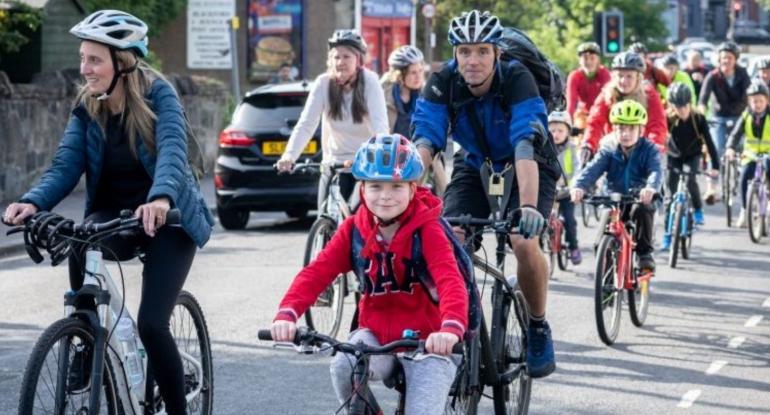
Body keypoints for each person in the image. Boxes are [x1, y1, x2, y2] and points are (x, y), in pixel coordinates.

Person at [1, 10, 213, 414]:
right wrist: (33, 202)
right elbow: (65, 164)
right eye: (83, 59)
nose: (85, 69)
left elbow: (171, 149)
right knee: (81, 239)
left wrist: (162, 198)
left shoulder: (158, 94)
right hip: (117, 215)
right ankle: (83, 340)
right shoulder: (87, 106)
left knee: (152, 325)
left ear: (124, 62)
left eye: (94, 60)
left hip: (169, 219)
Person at [411, 10, 561, 378]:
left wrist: (528, 208)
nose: (473, 60)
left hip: (529, 161)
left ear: (496, 53)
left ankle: (538, 325)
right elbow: (425, 143)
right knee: (448, 237)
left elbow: (525, 143)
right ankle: (460, 318)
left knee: (523, 241)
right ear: (455, 54)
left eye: (481, 51)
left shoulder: (517, 79)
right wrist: (404, 196)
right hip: (475, 162)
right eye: (464, 52)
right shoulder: (442, 81)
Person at [270, 135, 468, 414]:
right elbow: (317, 272)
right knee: (343, 364)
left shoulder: (428, 230)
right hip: (376, 337)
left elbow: (450, 280)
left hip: (428, 341)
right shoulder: (354, 230)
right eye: (375, 186)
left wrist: (450, 328)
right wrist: (288, 312)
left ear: (413, 189)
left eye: (396, 186)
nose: (385, 195)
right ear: (362, 189)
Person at [276, 29, 389, 209]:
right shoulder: (323, 83)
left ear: (358, 60)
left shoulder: (370, 82)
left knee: (357, 219)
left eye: (346, 57)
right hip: (333, 163)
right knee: (325, 214)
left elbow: (380, 127)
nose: (340, 62)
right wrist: (290, 155)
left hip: (364, 165)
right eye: (336, 57)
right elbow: (306, 124)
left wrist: (379, 157)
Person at [571, 100, 662, 271]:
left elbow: (656, 171)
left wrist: (650, 187)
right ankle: (607, 285)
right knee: (601, 244)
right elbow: (592, 169)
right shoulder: (609, 150)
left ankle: (644, 254)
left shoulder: (650, 150)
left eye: (631, 128)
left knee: (641, 210)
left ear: (641, 130)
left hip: (638, 197)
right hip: (614, 199)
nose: (625, 133)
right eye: (621, 128)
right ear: (614, 129)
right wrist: (578, 186)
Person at [380, 45, 448, 194]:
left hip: (422, 153)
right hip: (391, 157)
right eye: (412, 73)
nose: (418, 76)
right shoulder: (382, 93)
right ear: (399, 75)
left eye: (420, 71)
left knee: (442, 195)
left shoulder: (428, 93)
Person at [662, 83, 720, 250]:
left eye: (685, 105)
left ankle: (697, 210)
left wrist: (715, 166)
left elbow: (709, 143)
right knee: (670, 194)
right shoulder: (668, 119)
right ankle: (667, 235)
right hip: (674, 157)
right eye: (677, 106)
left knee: (689, 181)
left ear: (690, 103)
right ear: (672, 105)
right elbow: (658, 138)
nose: (682, 110)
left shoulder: (698, 118)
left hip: (693, 156)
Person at [581, 51, 668, 163]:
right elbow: (595, 122)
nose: (623, 81)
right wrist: (588, 144)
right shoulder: (607, 94)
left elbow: (657, 125)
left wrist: (653, 148)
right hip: (615, 148)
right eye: (620, 76)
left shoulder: (649, 95)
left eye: (629, 76)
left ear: (638, 78)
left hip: (641, 149)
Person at [698, 41, 751, 204]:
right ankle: (712, 188)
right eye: (723, 58)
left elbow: (749, 95)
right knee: (717, 149)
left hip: (738, 116)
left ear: (735, 60)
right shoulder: (713, 76)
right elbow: (703, 99)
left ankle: (745, 179)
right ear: (718, 60)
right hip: (718, 117)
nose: (726, 61)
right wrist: (700, 113)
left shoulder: (742, 74)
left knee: (742, 149)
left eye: (729, 58)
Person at [725, 80, 770, 228]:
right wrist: (730, 147)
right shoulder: (746, 116)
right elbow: (735, 134)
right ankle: (745, 209)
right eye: (754, 101)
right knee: (744, 177)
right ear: (749, 102)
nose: (757, 104)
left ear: (767, 101)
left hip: (768, 154)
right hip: (750, 155)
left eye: (760, 101)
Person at [548, 111, 582, 264]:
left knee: (569, 220)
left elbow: (576, 169)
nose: (556, 134)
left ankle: (573, 246)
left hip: (566, 191)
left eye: (560, 131)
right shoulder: (544, 148)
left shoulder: (571, 149)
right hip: (548, 191)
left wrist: (574, 185)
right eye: (552, 130)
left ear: (568, 131)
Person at [566, 41, 612, 132]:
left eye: (592, 58)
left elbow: (609, 99)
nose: (589, 62)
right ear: (580, 60)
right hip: (583, 113)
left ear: (598, 59)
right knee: (579, 132)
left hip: (601, 112)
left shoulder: (604, 73)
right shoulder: (574, 76)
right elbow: (571, 102)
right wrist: (567, 123)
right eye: (585, 58)